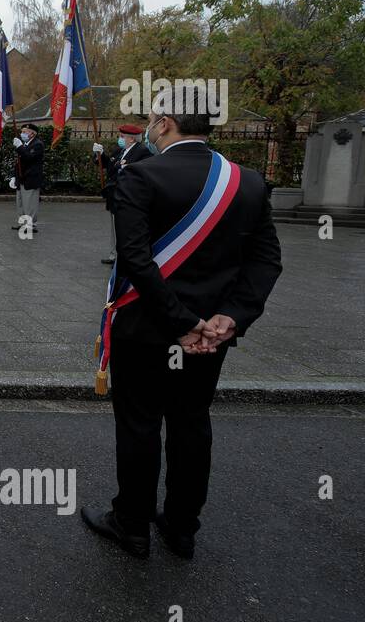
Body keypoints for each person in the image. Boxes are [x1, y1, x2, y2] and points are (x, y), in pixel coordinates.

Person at [81, 102, 282, 559]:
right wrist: (231, 317)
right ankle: (181, 526)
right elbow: (266, 260)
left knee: (139, 425)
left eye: (153, 119)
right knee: (192, 422)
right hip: (213, 335)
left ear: (165, 123)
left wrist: (181, 321)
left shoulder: (142, 176)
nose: (150, 127)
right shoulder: (246, 182)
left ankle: (132, 524)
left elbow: (134, 258)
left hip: (148, 328)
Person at [92, 124, 151, 264]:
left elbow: (143, 171)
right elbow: (108, 165)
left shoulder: (142, 151)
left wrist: (126, 168)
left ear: (131, 139)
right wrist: (99, 155)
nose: (120, 139)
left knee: (124, 228)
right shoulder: (120, 150)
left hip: (127, 196)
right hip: (114, 195)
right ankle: (114, 255)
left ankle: (122, 258)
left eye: (122, 136)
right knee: (115, 227)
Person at [11, 124, 44, 232]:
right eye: (22, 132)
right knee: (20, 203)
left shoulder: (37, 144)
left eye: (25, 132)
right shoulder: (25, 144)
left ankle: (31, 225)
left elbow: (29, 158)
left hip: (30, 179)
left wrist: (19, 147)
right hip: (21, 178)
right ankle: (22, 223)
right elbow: (18, 162)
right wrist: (13, 176)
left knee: (30, 204)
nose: (22, 134)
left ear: (32, 133)